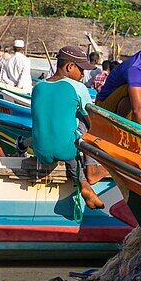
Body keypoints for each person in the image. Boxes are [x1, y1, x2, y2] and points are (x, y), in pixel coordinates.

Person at [35, 45, 105, 208]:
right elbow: (92, 123)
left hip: (40, 152)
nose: (82, 75)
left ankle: (84, 185)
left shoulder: (37, 87)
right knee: (83, 120)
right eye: (81, 70)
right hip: (67, 150)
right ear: (70, 67)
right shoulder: (78, 87)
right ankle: (92, 170)